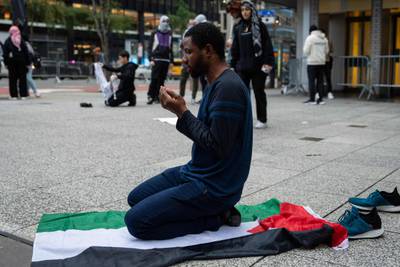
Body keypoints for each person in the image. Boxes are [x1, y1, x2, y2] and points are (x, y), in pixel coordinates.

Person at [124, 23, 253, 240]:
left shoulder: (228, 88)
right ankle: (209, 210)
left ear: (208, 51)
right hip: (196, 171)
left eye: (188, 51)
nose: (184, 58)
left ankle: (216, 217)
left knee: (137, 223)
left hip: (214, 186)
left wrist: (182, 113)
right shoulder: (213, 83)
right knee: (135, 199)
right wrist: (182, 110)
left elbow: (217, 145)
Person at [231, 0, 274, 129]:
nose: (245, 12)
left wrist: (267, 63)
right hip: (242, 67)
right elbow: (235, 48)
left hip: (258, 67)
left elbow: (267, 46)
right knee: (243, 95)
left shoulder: (260, 26)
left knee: (259, 93)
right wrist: (233, 64)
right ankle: (244, 119)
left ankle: (262, 119)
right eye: (243, 10)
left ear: (252, 11)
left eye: (247, 9)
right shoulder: (238, 27)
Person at [147, 15, 174, 105]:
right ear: (160, 21)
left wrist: (172, 61)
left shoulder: (170, 34)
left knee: (162, 80)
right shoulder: (154, 33)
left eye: (167, 21)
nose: (166, 23)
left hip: (165, 60)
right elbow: (150, 47)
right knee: (154, 78)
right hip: (156, 59)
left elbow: (171, 48)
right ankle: (151, 95)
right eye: (164, 21)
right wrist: (150, 58)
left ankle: (159, 97)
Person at [3, 25, 31, 99]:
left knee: (12, 79)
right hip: (22, 62)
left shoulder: (8, 41)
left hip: (11, 63)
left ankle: (14, 95)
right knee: (23, 79)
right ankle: (23, 95)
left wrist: (6, 63)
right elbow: (26, 52)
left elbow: (5, 53)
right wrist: (28, 63)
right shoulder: (21, 40)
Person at [303, 25, 329, 105]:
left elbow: (306, 51)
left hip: (312, 62)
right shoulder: (324, 39)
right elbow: (327, 51)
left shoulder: (310, 38)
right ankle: (320, 99)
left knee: (311, 81)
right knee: (320, 81)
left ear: (310, 31)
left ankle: (312, 99)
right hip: (321, 62)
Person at [179, 19, 200, 104]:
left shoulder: (197, 34)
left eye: (193, 24)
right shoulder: (185, 34)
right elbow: (181, 47)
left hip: (194, 59)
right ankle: (181, 96)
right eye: (190, 24)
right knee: (183, 78)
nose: (191, 25)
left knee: (195, 79)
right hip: (186, 59)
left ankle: (193, 97)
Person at [321, 29, 334, 100]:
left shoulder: (328, 41)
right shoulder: (327, 40)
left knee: (327, 77)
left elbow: (331, 51)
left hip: (326, 61)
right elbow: (331, 51)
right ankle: (324, 92)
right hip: (323, 61)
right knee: (324, 78)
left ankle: (328, 92)